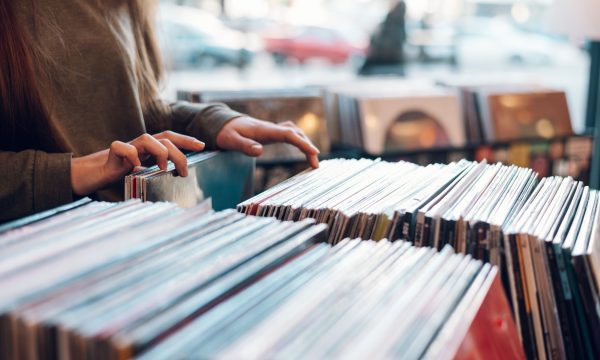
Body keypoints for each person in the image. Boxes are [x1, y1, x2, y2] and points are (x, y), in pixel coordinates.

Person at [0, 0, 320, 222]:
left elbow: (133, 108)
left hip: (129, 229)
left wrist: (212, 123)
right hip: (46, 247)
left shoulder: (128, 6)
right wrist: (76, 171)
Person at [359, 0, 407, 75]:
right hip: (392, 57)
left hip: (385, 56)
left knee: (364, 68)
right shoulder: (395, 21)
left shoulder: (393, 19)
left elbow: (382, 39)